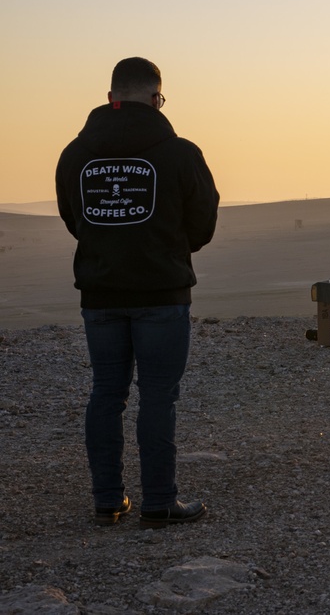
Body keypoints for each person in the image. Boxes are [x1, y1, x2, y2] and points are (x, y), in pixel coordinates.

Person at [55, 57, 220, 529]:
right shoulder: (181, 152)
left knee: (106, 394)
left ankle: (107, 501)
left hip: (101, 295)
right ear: (156, 98)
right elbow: (203, 221)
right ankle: (159, 502)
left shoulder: (74, 154)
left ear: (111, 98)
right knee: (157, 398)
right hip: (162, 295)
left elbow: (75, 219)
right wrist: (166, 249)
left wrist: (109, 246)